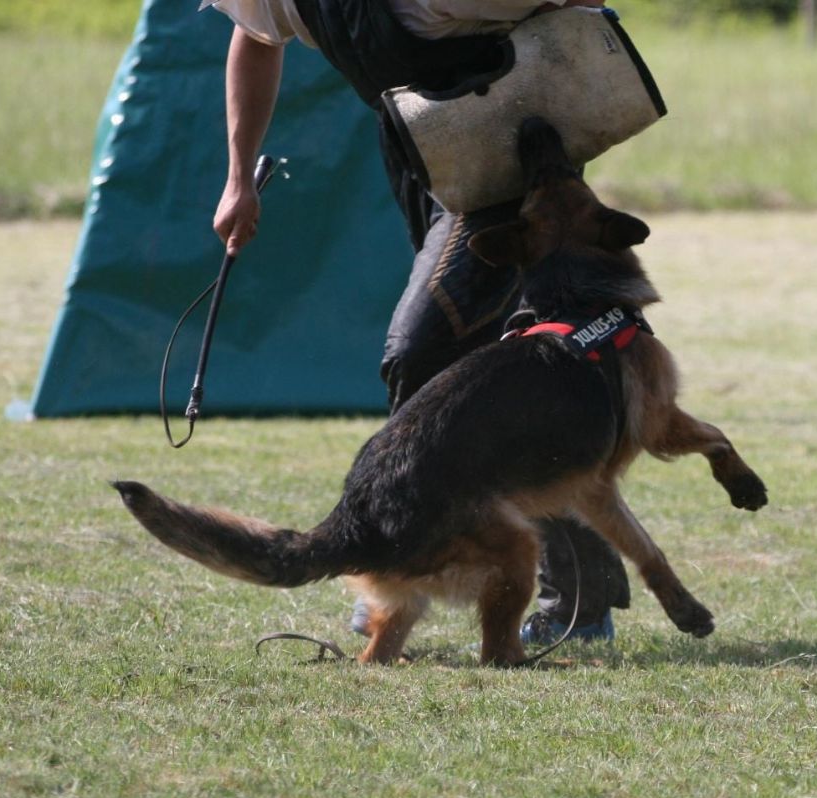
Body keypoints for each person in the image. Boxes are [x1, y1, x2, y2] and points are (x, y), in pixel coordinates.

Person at [205, 0, 631, 643]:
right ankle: (577, 599)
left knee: (420, 350)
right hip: (420, 152)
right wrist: (239, 176)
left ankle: (396, 563)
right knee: (515, 379)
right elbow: (255, 37)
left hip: (504, 167)